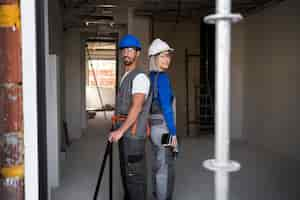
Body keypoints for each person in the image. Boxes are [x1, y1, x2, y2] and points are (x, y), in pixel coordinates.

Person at [108, 34, 151, 200]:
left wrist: (120, 132)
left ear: (137, 53)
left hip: (133, 136)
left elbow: (136, 107)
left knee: (135, 178)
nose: (126, 53)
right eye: (124, 50)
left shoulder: (139, 77)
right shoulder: (125, 76)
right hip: (125, 134)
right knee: (127, 175)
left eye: (131, 50)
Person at [148, 38, 178, 200]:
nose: (167, 59)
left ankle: (156, 195)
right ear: (154, 58)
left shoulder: (150, 78)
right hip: (164, 129)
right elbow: (167, 108)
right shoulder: (163, 78)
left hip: (153, 128)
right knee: (165, 167)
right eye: (163, 56)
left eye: (168, 56)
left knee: (157, 165)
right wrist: (173, 134)